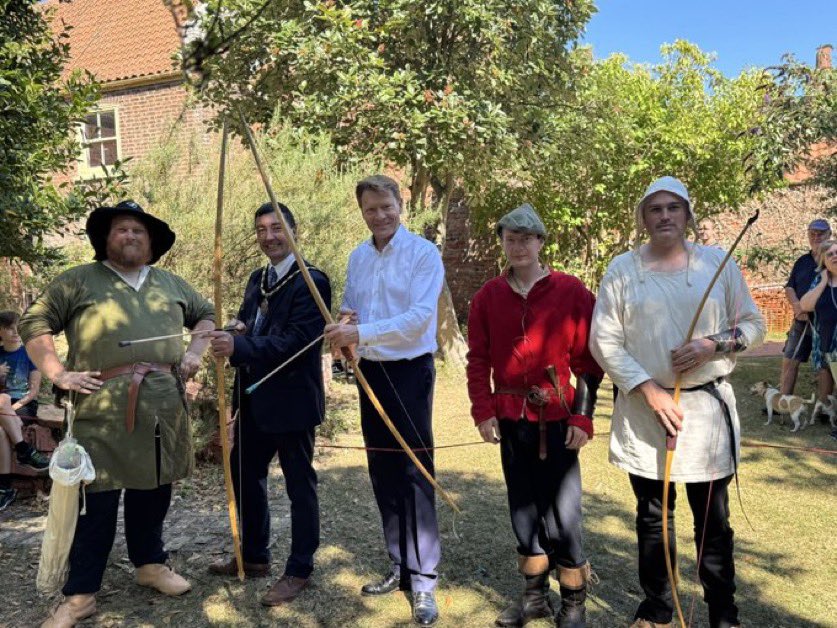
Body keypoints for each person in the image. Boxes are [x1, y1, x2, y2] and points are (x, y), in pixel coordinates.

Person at [19, 200, 215, 628]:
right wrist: (58, 373)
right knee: (96, 503)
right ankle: (81, 595)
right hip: (100, 409)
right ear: (105, 238)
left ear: (151, 242)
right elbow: (34, 323)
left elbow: (206, 316)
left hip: (162, 405)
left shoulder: (170, 283)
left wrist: (195, 352)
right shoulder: (79, 281)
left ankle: (150, 564)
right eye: (122, 229)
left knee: (154, 491)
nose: (130, 235)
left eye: (138, 230)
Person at [589, 176, 764, 628]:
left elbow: (754, 325)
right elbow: (603, 341)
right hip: (645, 412)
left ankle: (723, 614)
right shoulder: (623, 269)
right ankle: (658, 609)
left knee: (712, 522)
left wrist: (713, 345)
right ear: (643, 218)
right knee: (653, 518)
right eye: (655, 208)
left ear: (687, 214)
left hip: (704, 414)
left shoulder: (717, 264)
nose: (664, 215)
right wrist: (648, 389)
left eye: (673, 207)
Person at [466, 204, 602, 628]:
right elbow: (478, 360)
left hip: (558, 418)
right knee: (523, 511)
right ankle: (534, 599)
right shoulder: (488, 296)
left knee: (564, 514)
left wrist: (582, 416)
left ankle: (574, 602)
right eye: (511, 239)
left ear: (541, 241)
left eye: (527, 238)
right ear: (503, 243)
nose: (519, 246)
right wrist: (483, 411)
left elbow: (589, 361)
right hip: (511, 419)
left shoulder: (571, 291)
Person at [324, 174, 445, 626]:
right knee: (383, 469)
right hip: (369, 371)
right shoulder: (358, 256)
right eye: (370, 209)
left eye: (386, 206)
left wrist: (359, 332)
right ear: (362, 212)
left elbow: (418, 319)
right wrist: (344, 324)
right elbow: (352, 306)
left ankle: (424, 580)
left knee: (414, 469)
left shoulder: (423, 253)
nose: (379, 216)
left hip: (409, 371)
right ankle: (399, 564)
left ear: (401, 205)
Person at [207, 202, 331, 606]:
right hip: (253, 398)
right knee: (245, 475)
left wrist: (240, 346)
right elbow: (251, 322)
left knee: (299, 486)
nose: (269, 237)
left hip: (292, 401)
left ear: (294, 231)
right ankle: (255, 556)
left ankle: (299, 569)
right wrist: (236, 330)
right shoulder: (257, 278)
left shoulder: (312, 280)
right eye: (261, 229)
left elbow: (297, 342)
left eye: (277, 228)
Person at [0, 311, 50, 510]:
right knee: (0, 429)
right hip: (3, 408)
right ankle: (23, 453)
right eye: (9, 328)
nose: (15, 332)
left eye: (17, 328)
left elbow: (33, 392)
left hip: (23, 405)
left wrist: (11, 410)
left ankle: (4, 488)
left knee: (3, 402)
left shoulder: (29, 354)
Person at [780, 219, 831, 397]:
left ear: (829, 235)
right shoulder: (802, 261)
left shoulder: (833, 258)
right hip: (801, 321)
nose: (816, 237)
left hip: (826, 323)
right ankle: (782, 402)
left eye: (821, 234)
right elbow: (790, 287)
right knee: (790, 359)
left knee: (825, 366)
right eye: (812, 234)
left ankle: (824, 406)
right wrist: (797, 306)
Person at [799, 239, 837, 412]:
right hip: (825, 339)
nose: (834, 256)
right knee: (825, 372)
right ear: (824, 261)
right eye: (830, 254)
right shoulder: (819, 281)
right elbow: (805, 305)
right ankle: (827, 412)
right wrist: (823, 282)